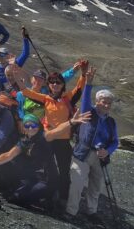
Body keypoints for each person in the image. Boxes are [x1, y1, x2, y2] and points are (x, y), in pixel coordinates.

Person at [7, 63, 88, 206]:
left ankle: (62, 198)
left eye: (58, 82)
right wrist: (16, 75)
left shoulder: (67, 98)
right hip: (48, 139)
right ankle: (48, 193)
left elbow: (79, 88)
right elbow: (25, 91)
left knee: (64, 170)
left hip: (63, 141)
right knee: (46, 168)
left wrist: (83, 73)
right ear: (49, 85)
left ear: (62, 84)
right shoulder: (45, 99)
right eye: (52, 82)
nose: (55, 85)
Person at [66, 67, 118, 219]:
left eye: (109, 103)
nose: (107, 105)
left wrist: (108, 151)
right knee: (77, 183)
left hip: (100, 157)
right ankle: (71, 211)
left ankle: (91, 211)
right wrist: (89, 83)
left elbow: (115, 141)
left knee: (95, 186)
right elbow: (85, 99)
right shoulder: (88, 111)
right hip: (82, 153)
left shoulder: (111, 122)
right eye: (104, 102)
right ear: (97, 102)